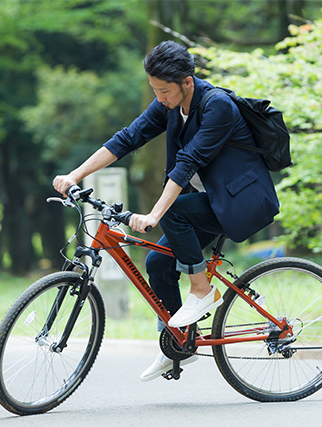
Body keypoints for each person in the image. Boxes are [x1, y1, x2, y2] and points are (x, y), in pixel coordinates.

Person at [53, 40, 279, 381]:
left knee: (175, 211)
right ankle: (177, 343)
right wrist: (75, 175)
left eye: (164, 91)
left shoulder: (218, 106)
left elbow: (188, 162)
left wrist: (156, 214)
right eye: (155, 90)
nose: (160, 98)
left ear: (187, 82)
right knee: (157, 262)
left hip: (239, 201)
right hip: (209, 201)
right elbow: (128, 138)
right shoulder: (170, 105)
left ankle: (202, 290)